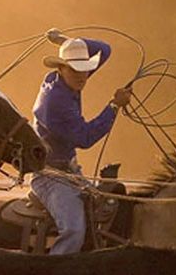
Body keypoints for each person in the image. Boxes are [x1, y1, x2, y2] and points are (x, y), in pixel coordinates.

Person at [30, 36, 131, 255]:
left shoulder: (66, 78)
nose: (83, 76)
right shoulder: (55, 103)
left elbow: (105, 47)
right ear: (62, 67)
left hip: (70, 172)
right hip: (49, 177)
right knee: (74, 230)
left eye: (85, 69)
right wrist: (113, 107)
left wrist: (69, 44)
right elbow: (84, 137)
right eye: (76, 70)